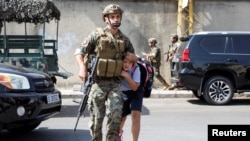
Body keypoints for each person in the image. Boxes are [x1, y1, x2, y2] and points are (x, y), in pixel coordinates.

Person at [74, 4, 136, 141]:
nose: (115, 19)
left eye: (118, 16)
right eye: (112, 17)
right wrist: (82, 68)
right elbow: (80, 51)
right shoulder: (96, 35)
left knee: (115, 116)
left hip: (115, 83)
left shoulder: (124, 40)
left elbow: (133, 57)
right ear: (106, 19)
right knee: (97, 121)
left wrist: (128, 62)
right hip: (97, 83)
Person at [119, 53, 143, 141]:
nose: (126, 65)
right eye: (125, 62)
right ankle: (119, 134)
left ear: (132, 63)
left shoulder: (135, 69)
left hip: (136, 90)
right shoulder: (116, 68)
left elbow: (134, 88)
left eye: (129, 63)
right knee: (122, 117)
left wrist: (127, 76)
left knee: (136, 115)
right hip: (123, 92)